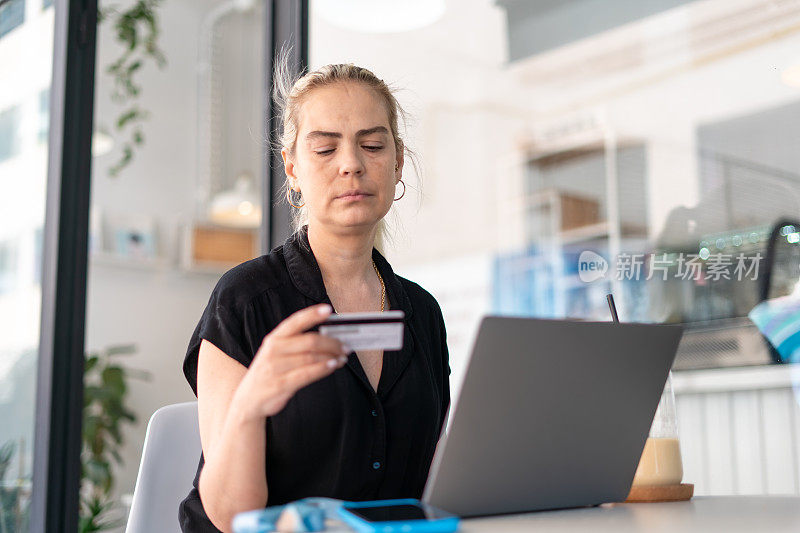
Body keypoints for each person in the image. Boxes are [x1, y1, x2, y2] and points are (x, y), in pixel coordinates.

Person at [178, 62, 451, 532]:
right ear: (293, 169)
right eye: (325, 148)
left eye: (372, 145)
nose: (352, 164)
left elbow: (430, 482)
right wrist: (251, 403)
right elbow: (229, 517)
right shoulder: (244, 300)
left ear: (398, 161)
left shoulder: (422, 313)